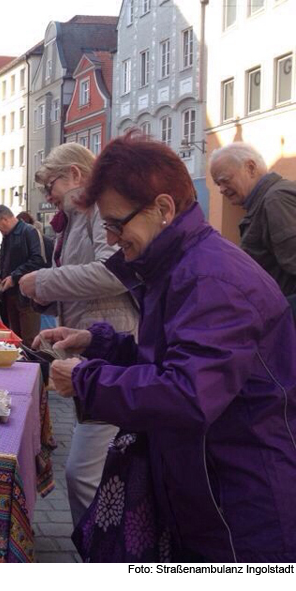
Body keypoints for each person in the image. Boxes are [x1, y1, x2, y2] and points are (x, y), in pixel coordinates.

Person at [46, 133, 296, 562]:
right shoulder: (179, 263)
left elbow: (186, 393)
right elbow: (170, 355)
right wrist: (98, 343)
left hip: (239, 504)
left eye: (116, 224)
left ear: (162, 209)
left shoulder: (211, 279)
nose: (112, 237)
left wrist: (88, 380)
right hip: (206, 487)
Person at [18, 143, 139, 527]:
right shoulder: (78, 218)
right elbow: (83, 286)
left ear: (74, 174)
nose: (48, 195)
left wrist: (44, 281)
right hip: (95, 346)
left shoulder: (100, 209)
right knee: (94, 469)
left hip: (112, 349)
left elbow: (111, 273)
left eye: (50, 184)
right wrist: (47, 305)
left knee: (84, 473)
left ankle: (100, 548)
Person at [210, 142, 296, 305]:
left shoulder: (276, 200)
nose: (221, 189)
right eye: (217, 184)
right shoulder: (267, 201)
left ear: (250, 168)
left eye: (225, 180)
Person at [0, 205, 45, 346]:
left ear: (5, 219)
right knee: (15, 338)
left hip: (27, 296)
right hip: (11, 295)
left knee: (29, 340)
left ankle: (33, 367)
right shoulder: (7, 236)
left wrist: (14, 277)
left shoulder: (29, 231)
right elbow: (3, 260)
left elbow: (37, 260)